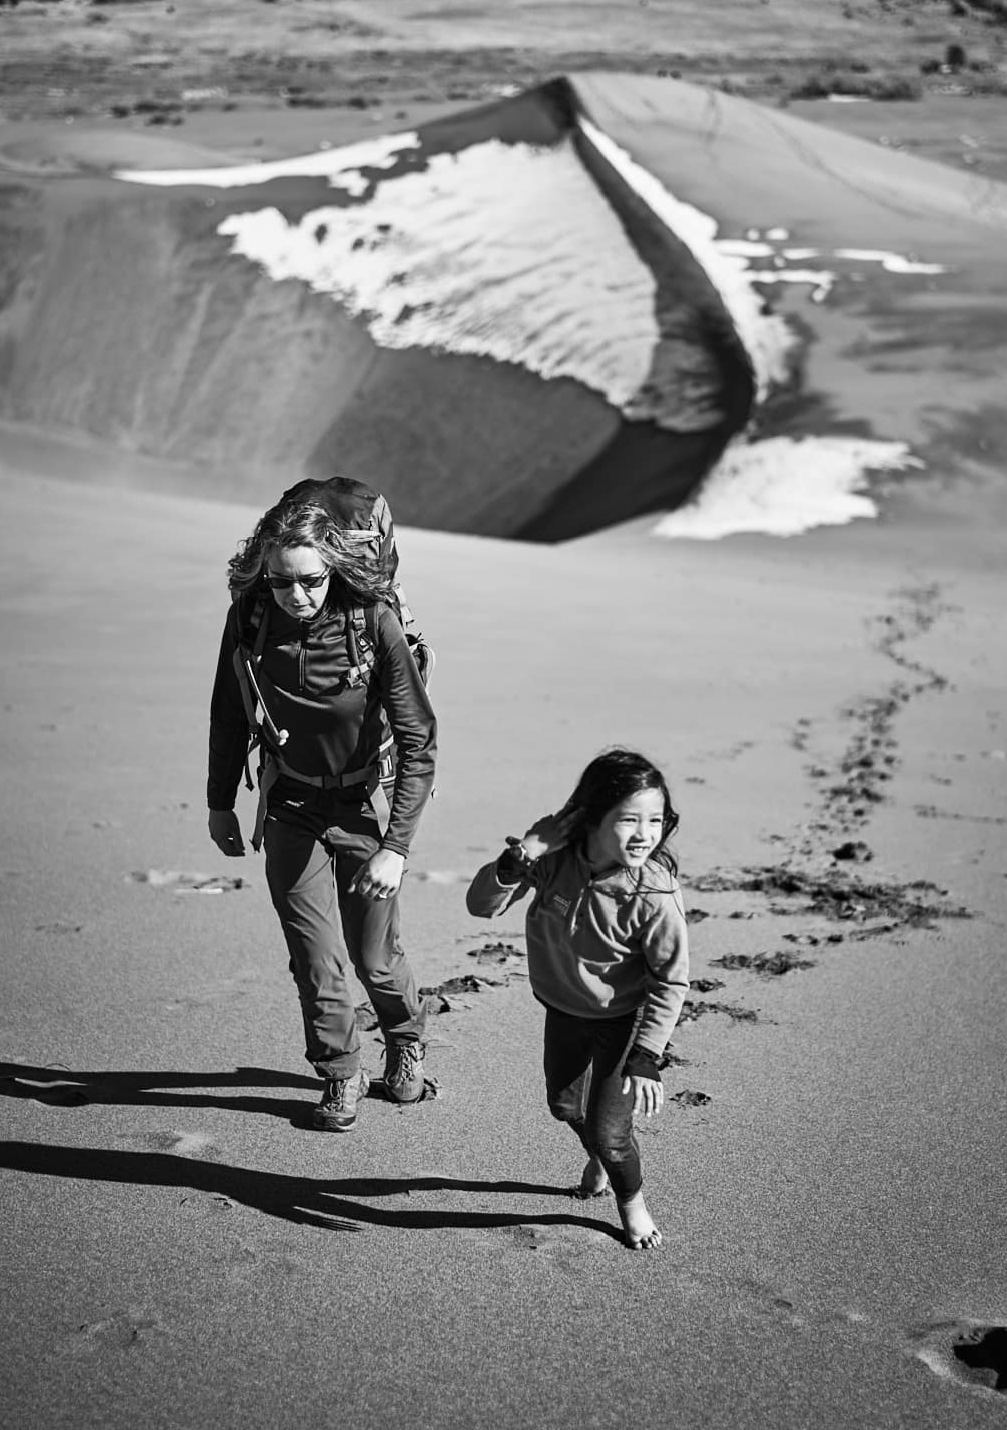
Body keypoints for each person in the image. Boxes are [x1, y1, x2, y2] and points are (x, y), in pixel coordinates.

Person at [207, 495, 436, 1132]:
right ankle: (339, 1073)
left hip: (363, 806)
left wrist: (396, 846)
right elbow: (228, 710)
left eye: (310, 580)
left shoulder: (372, 620)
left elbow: (419, 738)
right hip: (290, 805)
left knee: (375, 958)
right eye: (282, 580)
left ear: (333, 567)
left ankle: (405, 1037)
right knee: (315, 959)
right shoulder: (251, 615)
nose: (297, 595)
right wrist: (219, 801)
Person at [466, 748, 689, 1249]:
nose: (644, 834)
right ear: (591, 819)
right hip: (562, 1008)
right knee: (564, 1107)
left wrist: (647, 1057)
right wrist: (524, 852)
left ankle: (631, 1203)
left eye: (655, 820)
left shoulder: (653, 893)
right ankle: (600, 1154)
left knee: (613, 1133)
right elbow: (481, 906)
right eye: (629, 820)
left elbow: (671, 982)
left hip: (624, 1022)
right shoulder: (554, 863)